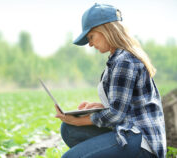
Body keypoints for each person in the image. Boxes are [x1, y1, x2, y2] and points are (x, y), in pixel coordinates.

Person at [54, 3, 166, 158]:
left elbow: (116, 115)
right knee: (69, 129)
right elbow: (123, 107)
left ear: (106, 30)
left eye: (91, 37)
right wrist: (100, 107)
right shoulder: (117, 59)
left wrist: (80, 120)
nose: (91, 44)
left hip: (142, 141)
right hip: (129, 131)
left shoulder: (124, 61)